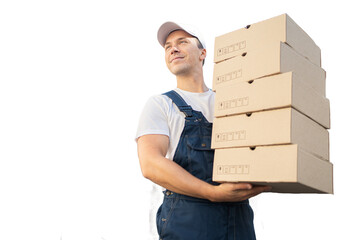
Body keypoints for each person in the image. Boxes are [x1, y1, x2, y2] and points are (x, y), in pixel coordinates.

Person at [136, 21, 271, 240]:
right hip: (188, 222)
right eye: (168, 46)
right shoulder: (161, 104)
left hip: (238, 221)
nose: (173, 48)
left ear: (203, 53)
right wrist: (214, 193)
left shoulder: (234, 102)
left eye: (183, 42)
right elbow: (150, 164)